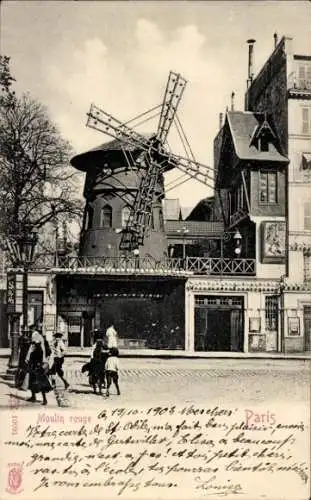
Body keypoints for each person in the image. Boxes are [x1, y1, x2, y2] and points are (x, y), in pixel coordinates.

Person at [25, 327, 52, 405]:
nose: (32, 344)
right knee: (36, 383)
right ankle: (36, 397)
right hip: (37, 368)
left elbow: (34, 358)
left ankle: (42, 399)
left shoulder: (37, 350)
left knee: (38, 383)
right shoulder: (39, 348)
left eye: (33, 343)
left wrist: (30, 362)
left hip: (36, 368)